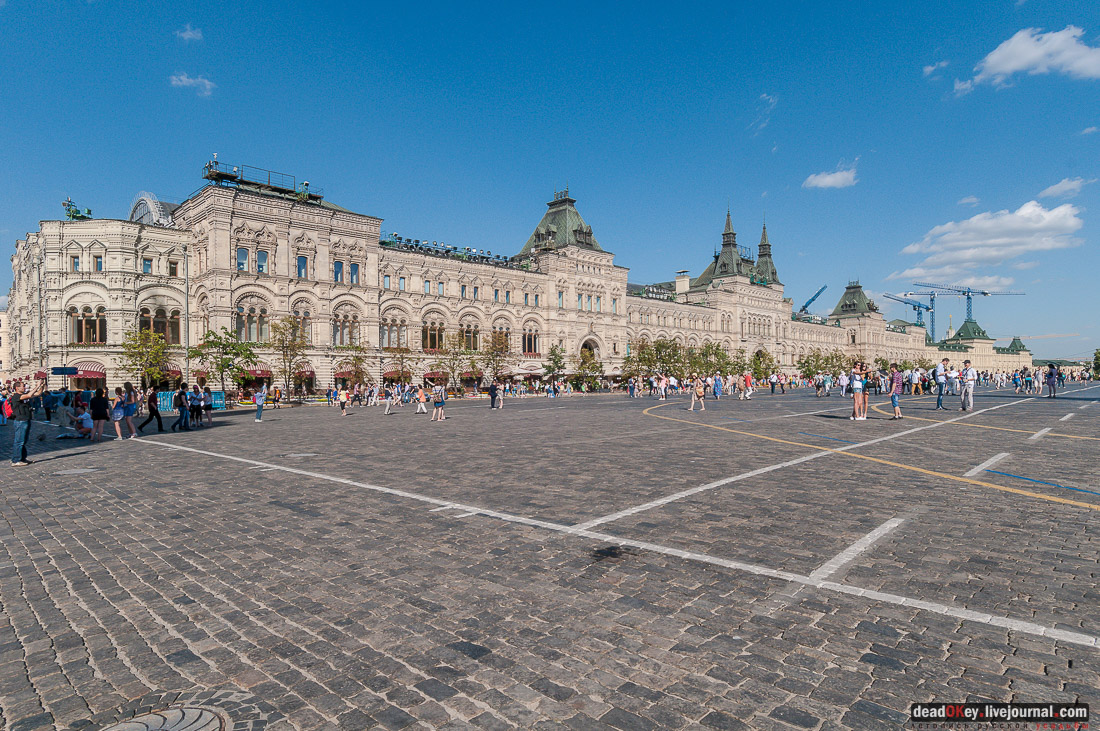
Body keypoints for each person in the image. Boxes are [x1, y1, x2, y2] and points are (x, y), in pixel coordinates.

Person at [9, 378, 46, 466]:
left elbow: (38, 394)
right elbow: (29, 395)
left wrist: (42, 385)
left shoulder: (24, 395)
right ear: (17, 388)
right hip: (20, 420)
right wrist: (37, 385)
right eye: (23, 386)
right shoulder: (16, 397)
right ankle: (16, 460)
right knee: (19, 441)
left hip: (26, 419)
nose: (25, 387)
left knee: (24, 441)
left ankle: (22, 458)